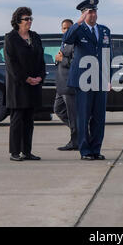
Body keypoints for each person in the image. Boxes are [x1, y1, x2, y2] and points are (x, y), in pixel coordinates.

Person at [62, 0, 112, 161]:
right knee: (83, 116)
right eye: (89, 12)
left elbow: (107, 55)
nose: (93, 14)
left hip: (99, 79)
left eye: (94, 11)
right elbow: (67, 39)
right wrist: (78, 23)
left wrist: (108, 78)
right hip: (83, 79)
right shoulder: (78, 30)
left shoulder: (104, 30)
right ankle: (85, 150)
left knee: (99, 117)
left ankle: (96, 149)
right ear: (83, 14)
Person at [4, 7, 46, 161]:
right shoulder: (11, 38)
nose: (29, 21)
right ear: (18, 21)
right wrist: (26, 78)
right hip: (18, 85)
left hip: (34, 84)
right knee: (17, 119)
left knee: (29, 119)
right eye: (26, 19)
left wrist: (40, 77)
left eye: (30, 19)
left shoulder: (35, 37)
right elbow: (11, 63)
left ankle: (27, 151)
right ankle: (14, 152)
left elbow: (41, 58)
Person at [55, 19, 79, 151]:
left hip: (69, 84)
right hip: (61, 84)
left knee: (73, 114)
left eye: (69, 28)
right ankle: (80, 132)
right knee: (58, 109)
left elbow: (75, 62)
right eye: (64, 28)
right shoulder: (64, 43)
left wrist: (61, 59)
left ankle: (75, 141)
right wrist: (57, 59)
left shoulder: (74, 43)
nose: (66, 30)